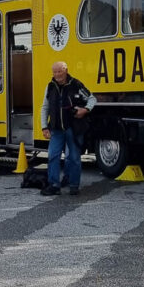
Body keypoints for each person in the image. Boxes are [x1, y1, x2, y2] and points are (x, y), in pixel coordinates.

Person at [40, 61, 96, 196]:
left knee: (74, 158)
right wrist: (44, 127)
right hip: (56, 129)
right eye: (55, 72)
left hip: (74, 129)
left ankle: (74, 185)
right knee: (53, 156)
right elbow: (45, 108)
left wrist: (85, 109)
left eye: (59, 71)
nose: (57, 74)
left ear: (66, 70)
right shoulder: (50, 87)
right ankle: (54, 185)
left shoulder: (76, 85)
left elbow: (92, 98)